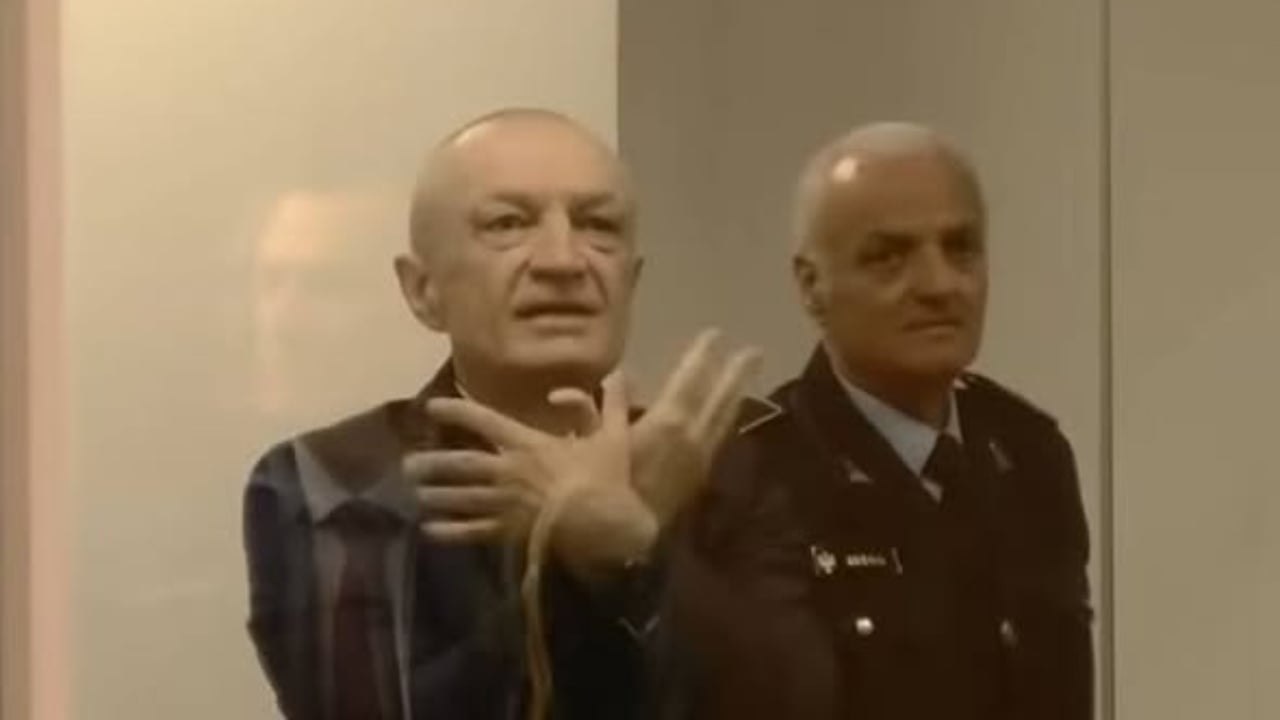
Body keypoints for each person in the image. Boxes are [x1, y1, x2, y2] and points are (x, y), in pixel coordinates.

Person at [243, 108, 757, 720]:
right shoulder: (331, 481)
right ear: (423, 291)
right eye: (508, 224)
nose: (564, 261)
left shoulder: (734, 462)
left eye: (598, 226)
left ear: (632, 280)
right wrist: (592, 564)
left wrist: (638, 551)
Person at [664, 122, 1093, 720]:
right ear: (811, 286)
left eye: (961, 248)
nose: (939, 285)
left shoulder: (1028, 453)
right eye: (889, 257)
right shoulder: (747, 475)